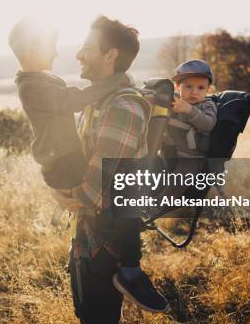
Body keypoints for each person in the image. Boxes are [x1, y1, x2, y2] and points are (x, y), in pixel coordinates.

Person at [53, 16, 169, 323]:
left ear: (110, 55)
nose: (78, 54)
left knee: (98, 317)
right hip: (90, 233)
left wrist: (58, 192)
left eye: (87, 48)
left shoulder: (121, 108)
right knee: (89, 314)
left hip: (105, 239)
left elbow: (91, 192)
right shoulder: (100, 102)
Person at [9, 17, 131, 190]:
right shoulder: (31, 87)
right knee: (95, 192)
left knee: (90, 195)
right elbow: (75, 100)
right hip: (62, 163)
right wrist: (116, 80)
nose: (55, 53)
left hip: (65, 157)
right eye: (51, 47)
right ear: (32, 49)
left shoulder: (40, 80)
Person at [164, 59, 218, 175]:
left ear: (208, 89)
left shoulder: (207, 105)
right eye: (188, 86)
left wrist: (190, 110)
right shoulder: (174, 101)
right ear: (178, 87)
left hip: (192, 158)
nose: (194, 92)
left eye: (200, 88)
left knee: (180, 178)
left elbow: (208, 124)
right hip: (169, 153)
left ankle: (167, 194)